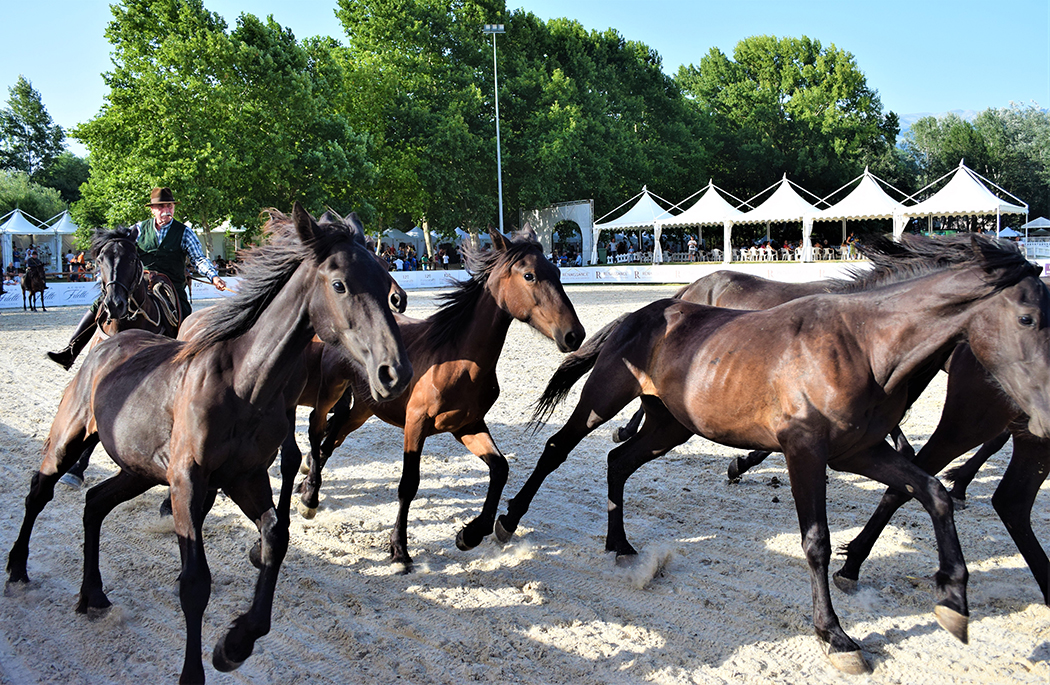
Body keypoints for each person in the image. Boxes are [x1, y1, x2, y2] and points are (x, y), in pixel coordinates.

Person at [47, 187, 227, 370]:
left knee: (185, 317)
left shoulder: (184, 232)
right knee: (102, 302)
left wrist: (213, 276)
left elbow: (199, 258)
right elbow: (121, 249)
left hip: (171, 285)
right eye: (161, 207)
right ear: (152, 209)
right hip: (140, 281)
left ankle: (185, 362)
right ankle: (70, 351)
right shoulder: (138, 229)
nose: (167, 210)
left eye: (170, 206)